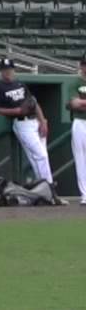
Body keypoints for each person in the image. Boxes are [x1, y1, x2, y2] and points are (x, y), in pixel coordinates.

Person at [0, 58, 52, 183]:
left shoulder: (20, 83)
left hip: (35, 120)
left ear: (13, 70)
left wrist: (42, 121)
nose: (7, 72)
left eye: (9, 69)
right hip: (22, 122)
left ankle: (46, 189)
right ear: (1, 71)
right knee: (41, 156)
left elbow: (33, 102)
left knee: (41, 157)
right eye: (5, 69)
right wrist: (16, 111)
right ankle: (49, 187)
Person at [69, 54, 86, 205]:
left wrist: (82, 102)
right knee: (81, 159)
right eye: (85, 64)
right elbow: (74, 104)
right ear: (81, 66)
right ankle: (85, 195)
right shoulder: (75, 82)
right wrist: (79, 103)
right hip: (80, 122)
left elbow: (79, 102)